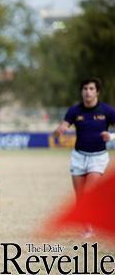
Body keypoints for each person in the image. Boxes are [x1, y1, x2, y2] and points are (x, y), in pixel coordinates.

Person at [53, 77, 115, 238]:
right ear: (81, 92)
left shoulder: (107, 111)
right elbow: (63, 127)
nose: (88, 92)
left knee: (89, 193)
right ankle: (88, 227)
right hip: (78, 157)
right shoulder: (74, 111)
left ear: (97, 92)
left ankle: (96, 224)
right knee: (80, 196)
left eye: (91, 89)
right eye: (85, 89)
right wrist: (59, 131)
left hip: (98, 157)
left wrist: (111, 136)